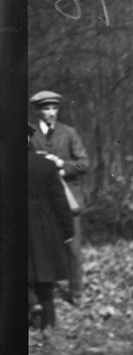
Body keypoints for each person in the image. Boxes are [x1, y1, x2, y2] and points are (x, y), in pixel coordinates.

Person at [29, 90, 89, 300]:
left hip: (69, 197)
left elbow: (84, 163)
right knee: (40, 246)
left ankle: (76, 292)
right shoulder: (30, 133)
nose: (51, 113)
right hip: (41, 200)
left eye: (54, 108)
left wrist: (62, 165)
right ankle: (41, 295)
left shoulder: (69, 133)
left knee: (73, 248)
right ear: (37, 110)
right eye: (46, 108)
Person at [27, 123, 77, 335]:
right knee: (45, 275)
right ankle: (48, 326)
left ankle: (31, 303)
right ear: (28, 140)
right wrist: (67, 230)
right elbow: (59, 201)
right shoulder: (45, 165)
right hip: (44, 225)